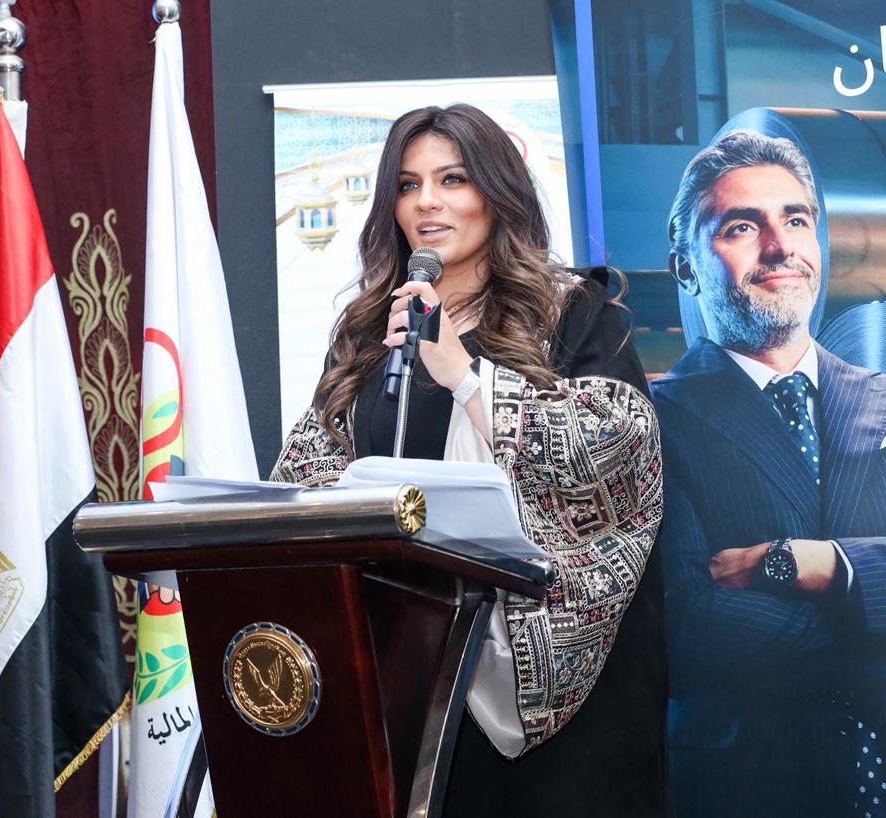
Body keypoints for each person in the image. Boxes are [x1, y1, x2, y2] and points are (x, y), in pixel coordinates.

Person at [271, 104, 667, 817]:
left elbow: (620, 457)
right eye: (408, 184)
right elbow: (305, 475)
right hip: (403, 671)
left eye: (452, 179)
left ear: (497, 190)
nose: (427, 201)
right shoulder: (369, 332)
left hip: (545, 706)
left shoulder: (572, 312)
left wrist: (465, 376)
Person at [652, 130, 886, 818]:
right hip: (752, 789)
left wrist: (819, 565)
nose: (781, 246)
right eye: (742, 227)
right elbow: (689, 627)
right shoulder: (648, 421)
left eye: (796, 220)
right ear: (685, 268)